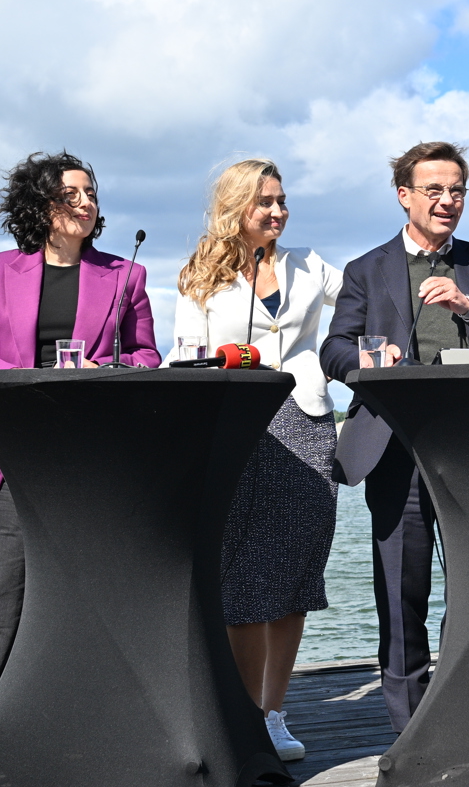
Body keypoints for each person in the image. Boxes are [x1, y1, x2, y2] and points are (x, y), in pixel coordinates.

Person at [0, 151, 161, 782]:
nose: (86, 203)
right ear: (41, 206)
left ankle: (81, 734)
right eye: (72, 193)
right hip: (2, 456)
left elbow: (147, 358)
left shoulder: (125, 276)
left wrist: (107, 371)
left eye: (91, 193)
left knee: (88, 606)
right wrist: (34, 377)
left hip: (87, 463)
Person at [319, 141, 469, 732]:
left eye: (457, 190)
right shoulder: (365, 269)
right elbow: (332, 349)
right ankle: (411, 731)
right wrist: (370, 353)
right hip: (395, 448)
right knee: (400, 592)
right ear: (404, 195)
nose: (447, 201)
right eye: (434, 189)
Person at [169, 159, 343, 761]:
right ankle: (239, 715)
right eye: (264, 202)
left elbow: (364, 305)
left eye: (282, 200)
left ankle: (272, 713)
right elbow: (181, 355)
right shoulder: (199, 276)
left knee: (292, 577)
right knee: (243, 578)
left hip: (306, 423)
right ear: (234, 207)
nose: (277, 211)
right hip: (238, 428)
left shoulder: (312, 265)